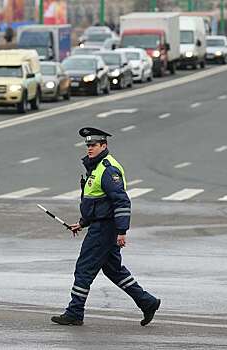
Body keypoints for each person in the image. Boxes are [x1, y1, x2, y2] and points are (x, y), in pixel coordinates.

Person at [51, 127, 161, 327]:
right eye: (88, 145)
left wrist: (122, 231)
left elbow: (121, 202)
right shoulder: (95, 168)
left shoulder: (108, 169)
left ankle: (74, 312)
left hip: (105, 229)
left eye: (93, 145)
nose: (89, 149)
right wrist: (83, 223)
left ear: (104, 145)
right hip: (102, 226)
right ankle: (147, 302)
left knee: (84, 268)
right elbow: (99, 203)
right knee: (114, 271)